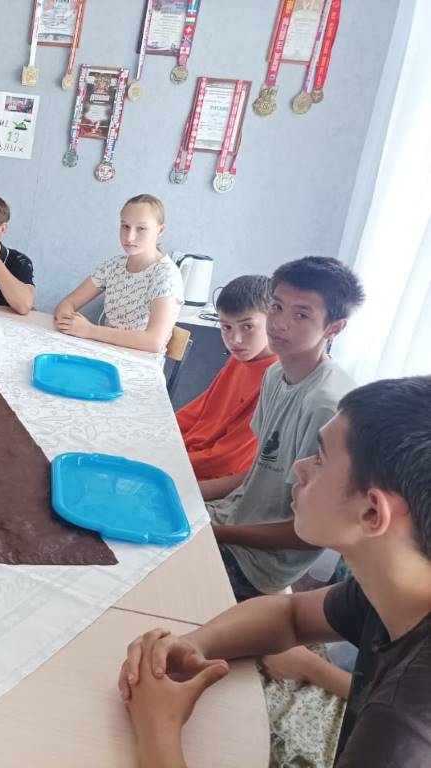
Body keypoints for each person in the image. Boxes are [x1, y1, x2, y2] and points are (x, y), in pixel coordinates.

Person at [118, 375, 431, 768]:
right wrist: (196, 643)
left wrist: (157, 727)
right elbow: (290, 615)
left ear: (372, 513)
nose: (300, 468)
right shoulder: (395, 587)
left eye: (319, 459)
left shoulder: (403, 731)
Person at [208, 257, 365, 600]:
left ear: (334, 328)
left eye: (301, 315)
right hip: (231, 519)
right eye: (277, 307)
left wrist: (215, 533)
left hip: (259, 564)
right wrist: (189, 491)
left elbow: (312, 532)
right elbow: (261, 471)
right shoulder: (275, 374)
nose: (279, 323)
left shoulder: (327, 405)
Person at [176, 275, 278, 488]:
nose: (235, 340)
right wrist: (158, 437)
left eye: (247, 327)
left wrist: (165, 458)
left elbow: (227, 461)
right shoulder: (241, 358)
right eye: (226, 327)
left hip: (213, 481)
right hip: (189, 456)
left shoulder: (276, 380)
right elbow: (199, 412)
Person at [53, 194, 183, 359]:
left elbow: (154, 341)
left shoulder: (166, 275)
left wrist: (90, 330)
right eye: (125, 226)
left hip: (139, 362)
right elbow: (68, 303)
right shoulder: (114, 265)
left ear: (160, 230)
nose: (129, 237)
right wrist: (68, 321)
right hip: (103, 352)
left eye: (141, 228)